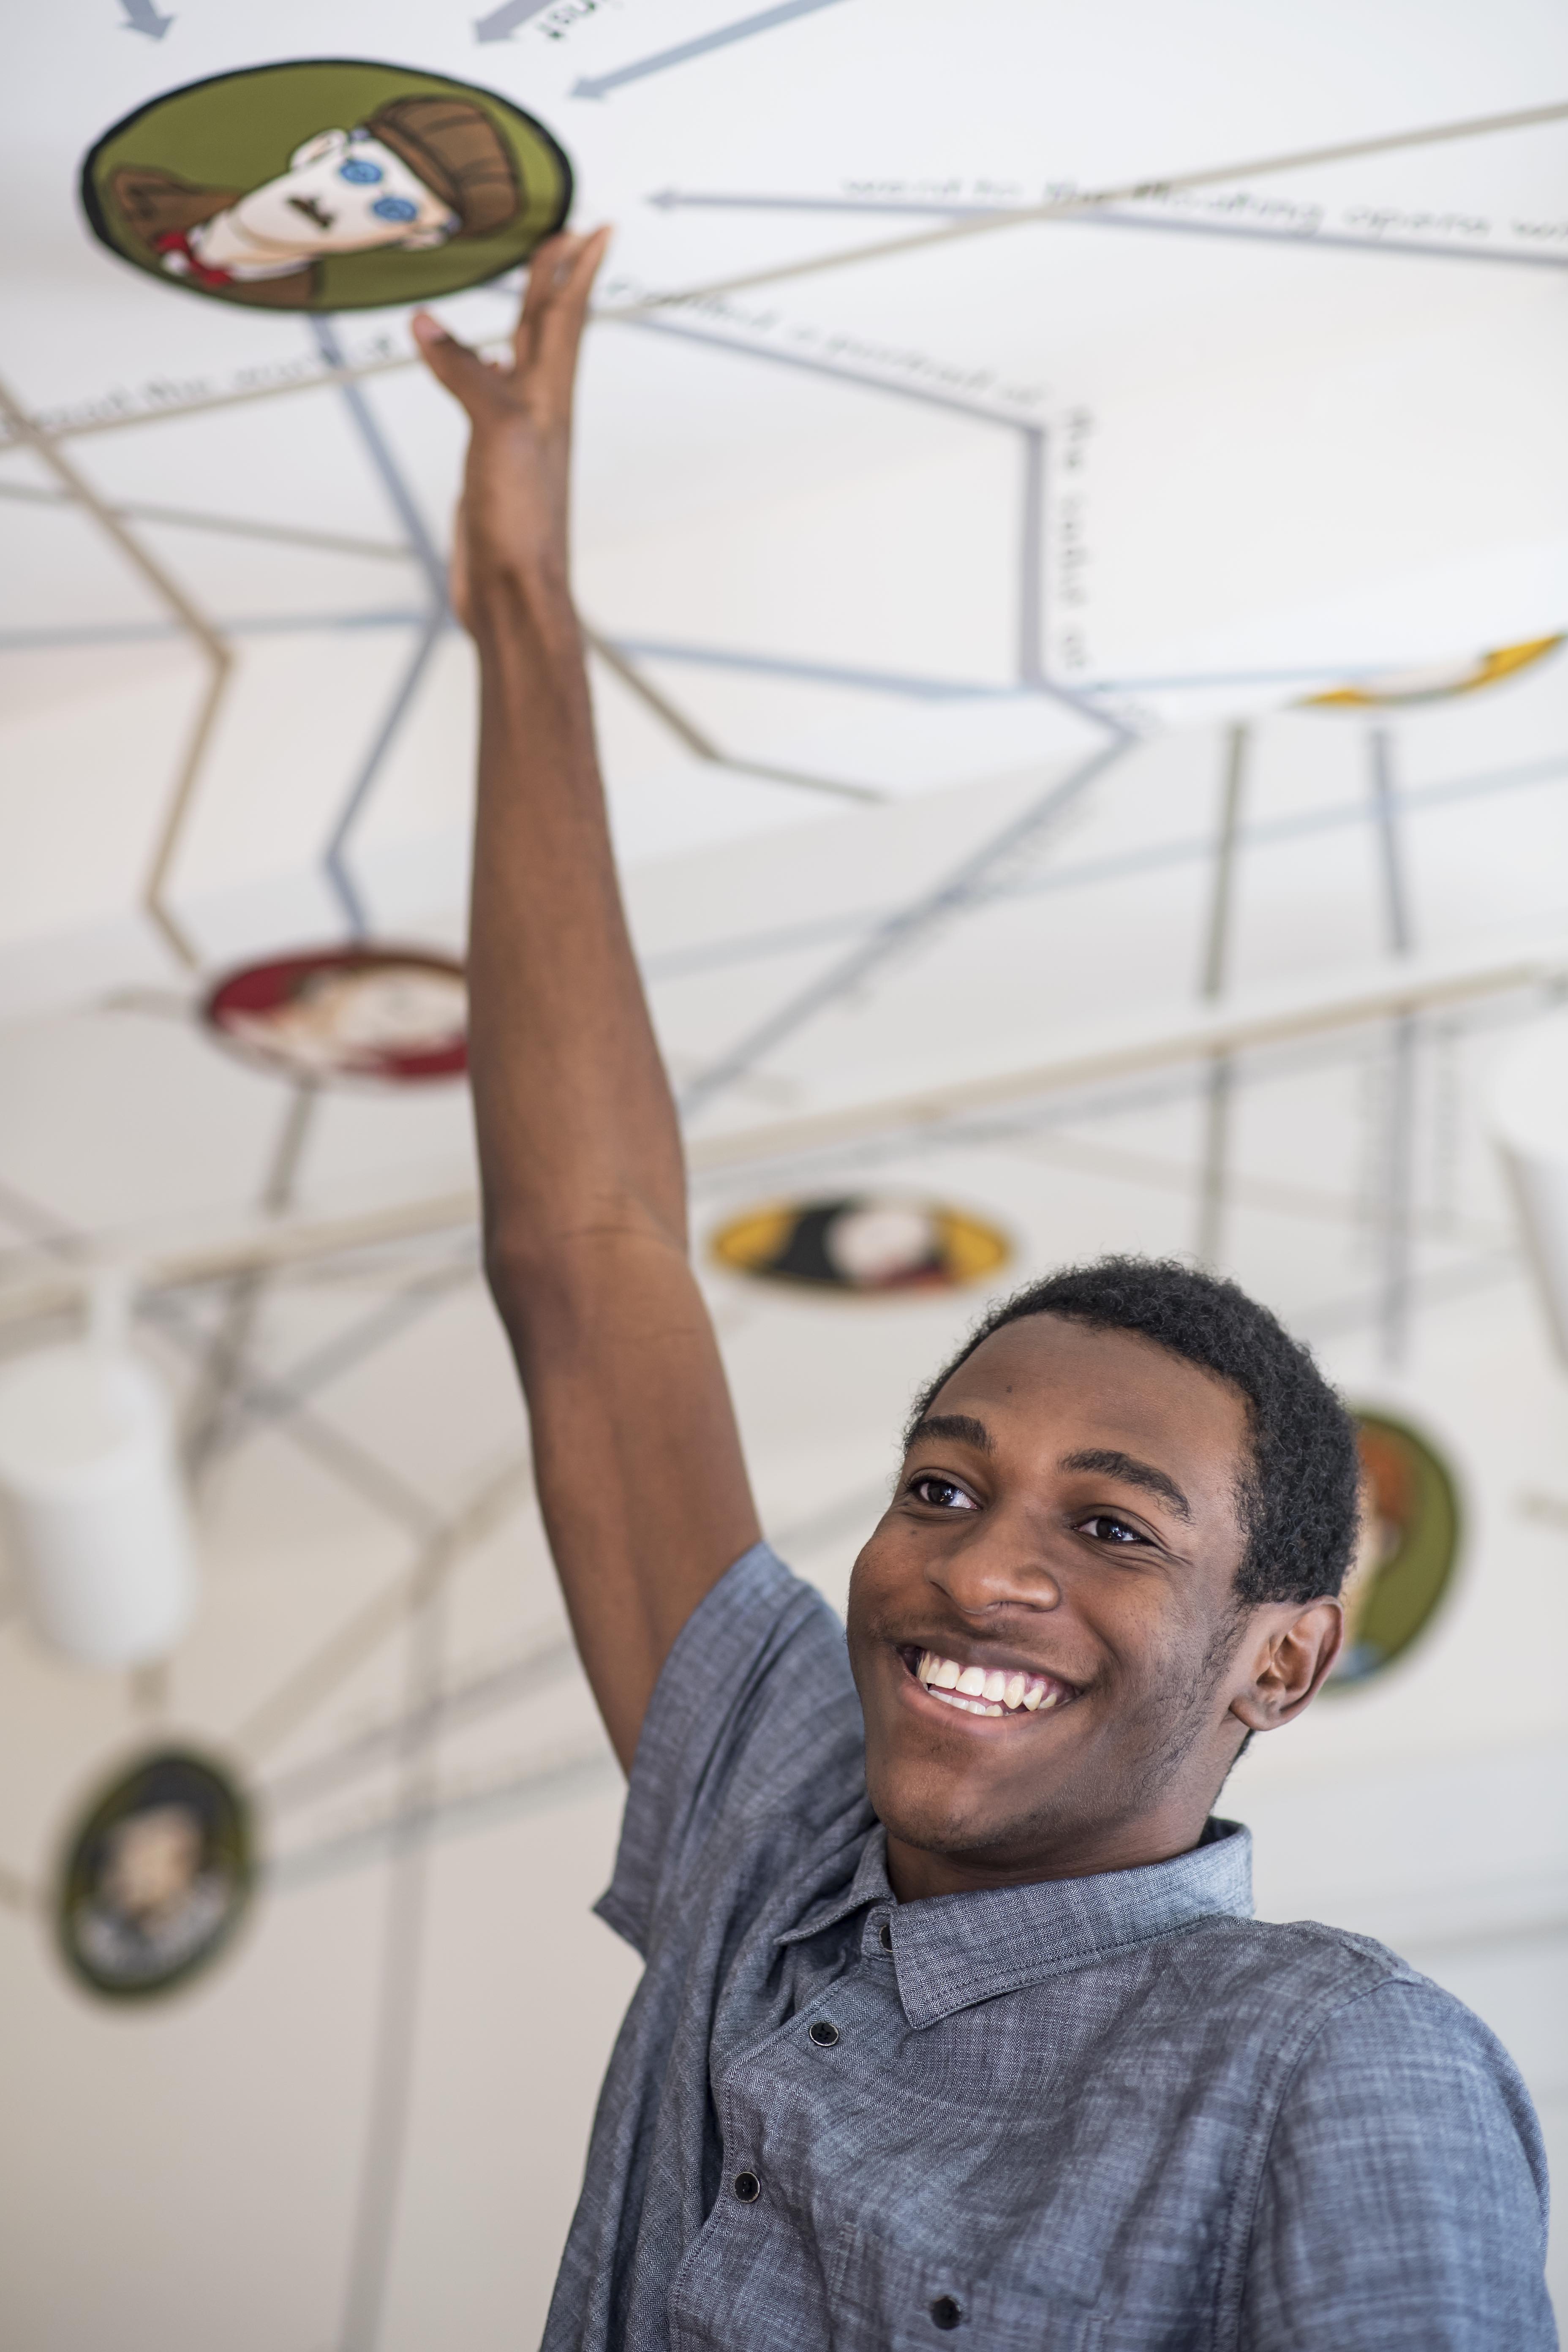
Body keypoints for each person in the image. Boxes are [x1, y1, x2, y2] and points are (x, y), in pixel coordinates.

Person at [412, 236, 1556, 2352]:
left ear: (1277, 1661)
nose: (981, 1569)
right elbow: (586, 1266)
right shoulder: (783, 1813)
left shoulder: (1326, 2062)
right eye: (943, 1486)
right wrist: (517, 602)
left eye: (1109, 1526)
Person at [109, 96, 519, 308]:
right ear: (320, 149)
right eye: (359, 173)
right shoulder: (139, 193)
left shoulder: (292, 299)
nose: (338, 204)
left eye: (391, 209)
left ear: (415, 240)